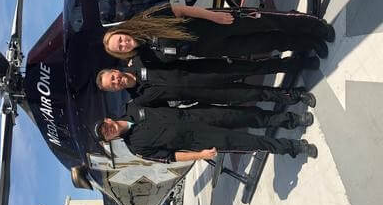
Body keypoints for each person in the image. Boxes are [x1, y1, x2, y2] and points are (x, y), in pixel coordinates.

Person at [102, 4, 335, 62]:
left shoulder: (147, 19)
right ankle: (308, 42)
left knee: (267, 21)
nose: (124, 44)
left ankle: (316, 26)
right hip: (212, 48)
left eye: (119, 39)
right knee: (266, 42)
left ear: (121, 31)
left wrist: (214, 15)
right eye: (120, 48)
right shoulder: (146, 57)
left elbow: (180, 9)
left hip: (214, 23)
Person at [93, 104, 318, 162]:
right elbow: (170, 157)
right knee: (249, 141)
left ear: (107, 119)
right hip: (198, 140)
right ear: (110, 139)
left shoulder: (133, 107)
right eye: (106, 134)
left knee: (248, 116)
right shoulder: (136, 148)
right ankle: (294, 148)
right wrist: (199, 155)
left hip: (198, 115)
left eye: (105, 126)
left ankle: (293, 120)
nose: (109, 130)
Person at [95, 66, 317, 107]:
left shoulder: (140, 60)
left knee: (253, 69)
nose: (116, 82)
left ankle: (293, 64)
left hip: (208, 71)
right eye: (113, 86)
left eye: (112, 78)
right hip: (204, 94)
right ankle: (294, 95)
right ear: (114, 90)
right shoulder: (140, 100)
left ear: (114, 70)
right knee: (253, 93)